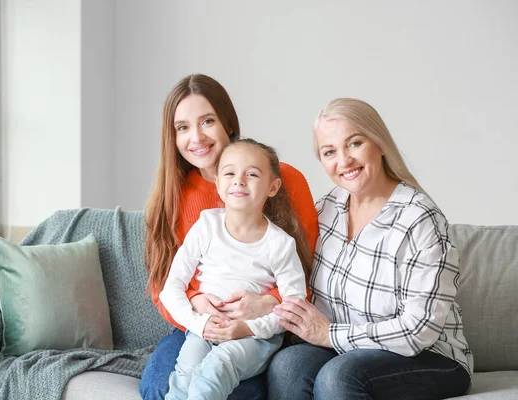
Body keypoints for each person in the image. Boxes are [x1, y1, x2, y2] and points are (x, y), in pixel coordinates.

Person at [268, 98, 473, 400]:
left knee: (339, 376)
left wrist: (330, 335)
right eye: (330, 152)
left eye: (354, 143)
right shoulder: (325, 210)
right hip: (347, 349)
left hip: (432, 357)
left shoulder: (419, 218)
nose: (344, 160)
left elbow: (418, 331)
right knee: (288, 365)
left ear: (379, 143)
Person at [140, 74, 318, 400]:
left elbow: (307, 270)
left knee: (230, 388)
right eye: (182, 127)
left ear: (227, 124)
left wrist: (267, 303)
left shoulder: (280, 178)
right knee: (159, 386)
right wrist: (196, 304)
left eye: (207, 121)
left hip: (261, 330)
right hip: (196, 325)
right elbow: (163, 287)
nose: (196, 137)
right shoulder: (173, 198)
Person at [160, 139, 309, 400]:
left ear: (272, 187)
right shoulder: (206, 226)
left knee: (218, 366)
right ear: (217, 183)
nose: (239, 180)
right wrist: (201, 324)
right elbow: (170, 290)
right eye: (230, 173)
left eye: (251, 174)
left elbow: (294, 305)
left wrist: (248, 329)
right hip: (205, 329)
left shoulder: (281, 245)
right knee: (185, 375)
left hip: (254, 339)